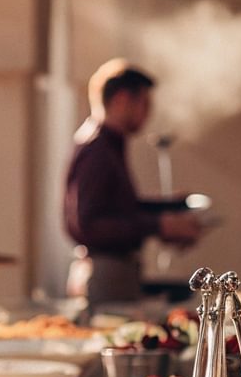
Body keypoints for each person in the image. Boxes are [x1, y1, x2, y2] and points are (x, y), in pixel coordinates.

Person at [63, 59, 201, 309]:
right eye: (145, 104)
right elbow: (87, 224)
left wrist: (168, 208)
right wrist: (160, 225)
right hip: (106, 273)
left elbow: (117, 208)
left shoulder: (110, 144)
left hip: (117, 270)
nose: (148, 114)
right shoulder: (97, 148)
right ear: (123, 99)